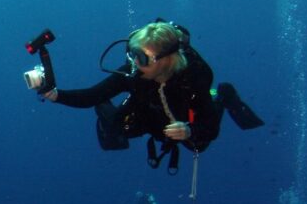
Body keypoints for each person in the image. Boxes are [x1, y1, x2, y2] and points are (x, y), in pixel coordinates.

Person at [39, 20, 263, 171]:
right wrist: (56, 95)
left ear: (166, 59)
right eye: (132, 54)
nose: (135, 63)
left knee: (197, 145)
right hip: (149, 106)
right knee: (113, 133)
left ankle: (223, 95)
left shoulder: (192, 79)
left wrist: (189, 129)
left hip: (183, 113)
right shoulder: (134, 71)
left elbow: (211, 127)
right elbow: (92, 95)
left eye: (142, 58)